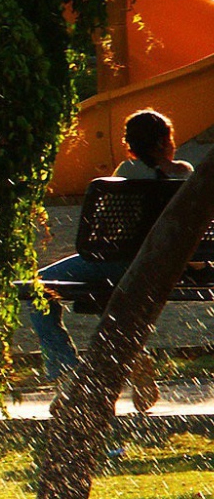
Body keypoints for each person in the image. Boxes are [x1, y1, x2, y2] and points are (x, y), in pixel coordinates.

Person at [27, 109, 194, 410]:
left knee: (37, 289)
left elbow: (105, 234)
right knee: (112, 297)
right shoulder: (185, 173)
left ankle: (68, 377)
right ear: (168, 141)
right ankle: (134, 358)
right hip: (163, 268)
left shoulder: (129, 172)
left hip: (118, 263)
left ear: (129, 144)